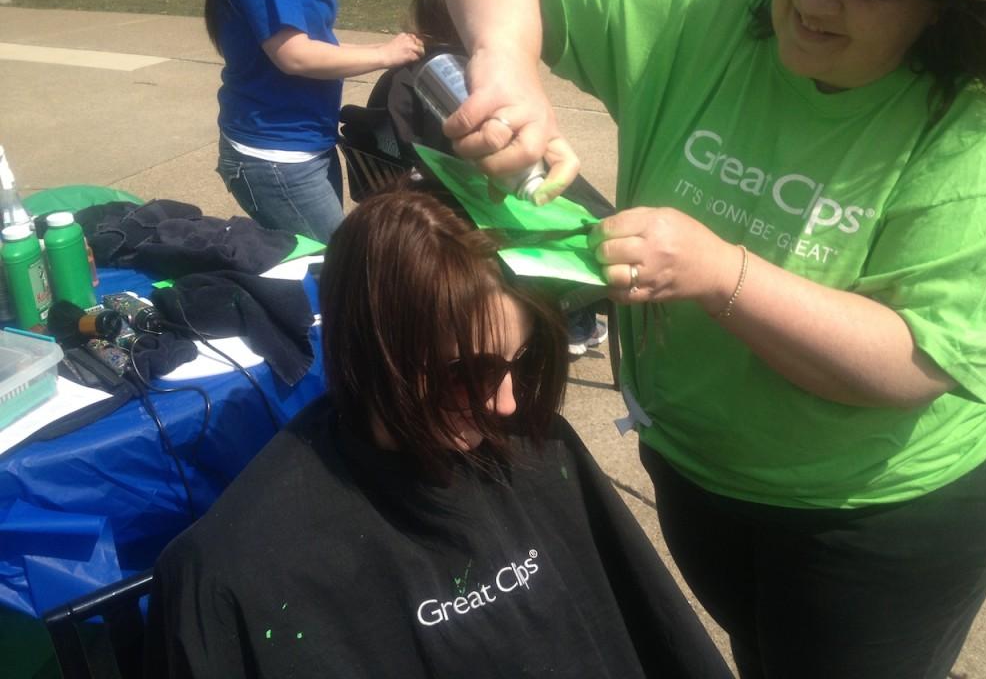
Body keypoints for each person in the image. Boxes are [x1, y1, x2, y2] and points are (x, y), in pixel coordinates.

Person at [443, 0, 986, 676]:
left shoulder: (979, 123)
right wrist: (508, 56)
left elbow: (913, 361)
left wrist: (722, 275)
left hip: (877, 518)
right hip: (696, 466)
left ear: (939, 8)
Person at [144, 183, 732, 678]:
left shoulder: (541, 449)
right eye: (468, 374)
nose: (505, 404)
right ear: (374, 354)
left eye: (522, 362)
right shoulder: (233, 569)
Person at [366, 0, 611, 357]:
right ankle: (573, 317)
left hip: (435, 187)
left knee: (574, 205)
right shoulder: (465, 78)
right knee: (588, 218)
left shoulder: (407, 73)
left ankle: (576, 316)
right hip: (465, 196)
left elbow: (402, 139)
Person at [204, 0, 424, 243]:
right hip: (277, 155)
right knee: (339, 268)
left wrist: (389, 48)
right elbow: (293, 54)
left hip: (308, 144)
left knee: (325, 263)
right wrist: (384, 55)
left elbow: (318, 45)